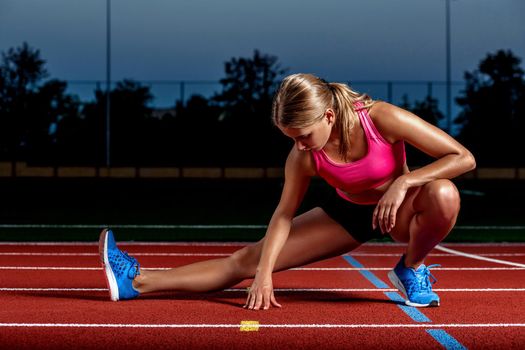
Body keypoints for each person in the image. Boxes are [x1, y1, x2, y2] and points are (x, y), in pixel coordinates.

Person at [99, 73, 476, 309]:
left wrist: (404, 181)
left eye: (303, 136)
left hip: (401, 208)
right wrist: (264, 273)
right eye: (290, 138)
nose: (299, 146)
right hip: (348, 215)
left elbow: (462, 157)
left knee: (444, 194)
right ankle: (137, 281)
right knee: (246, 262)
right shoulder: (303, 156)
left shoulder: (381, 118)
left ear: (328, 117)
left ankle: (410, 268)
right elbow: (283, 214)